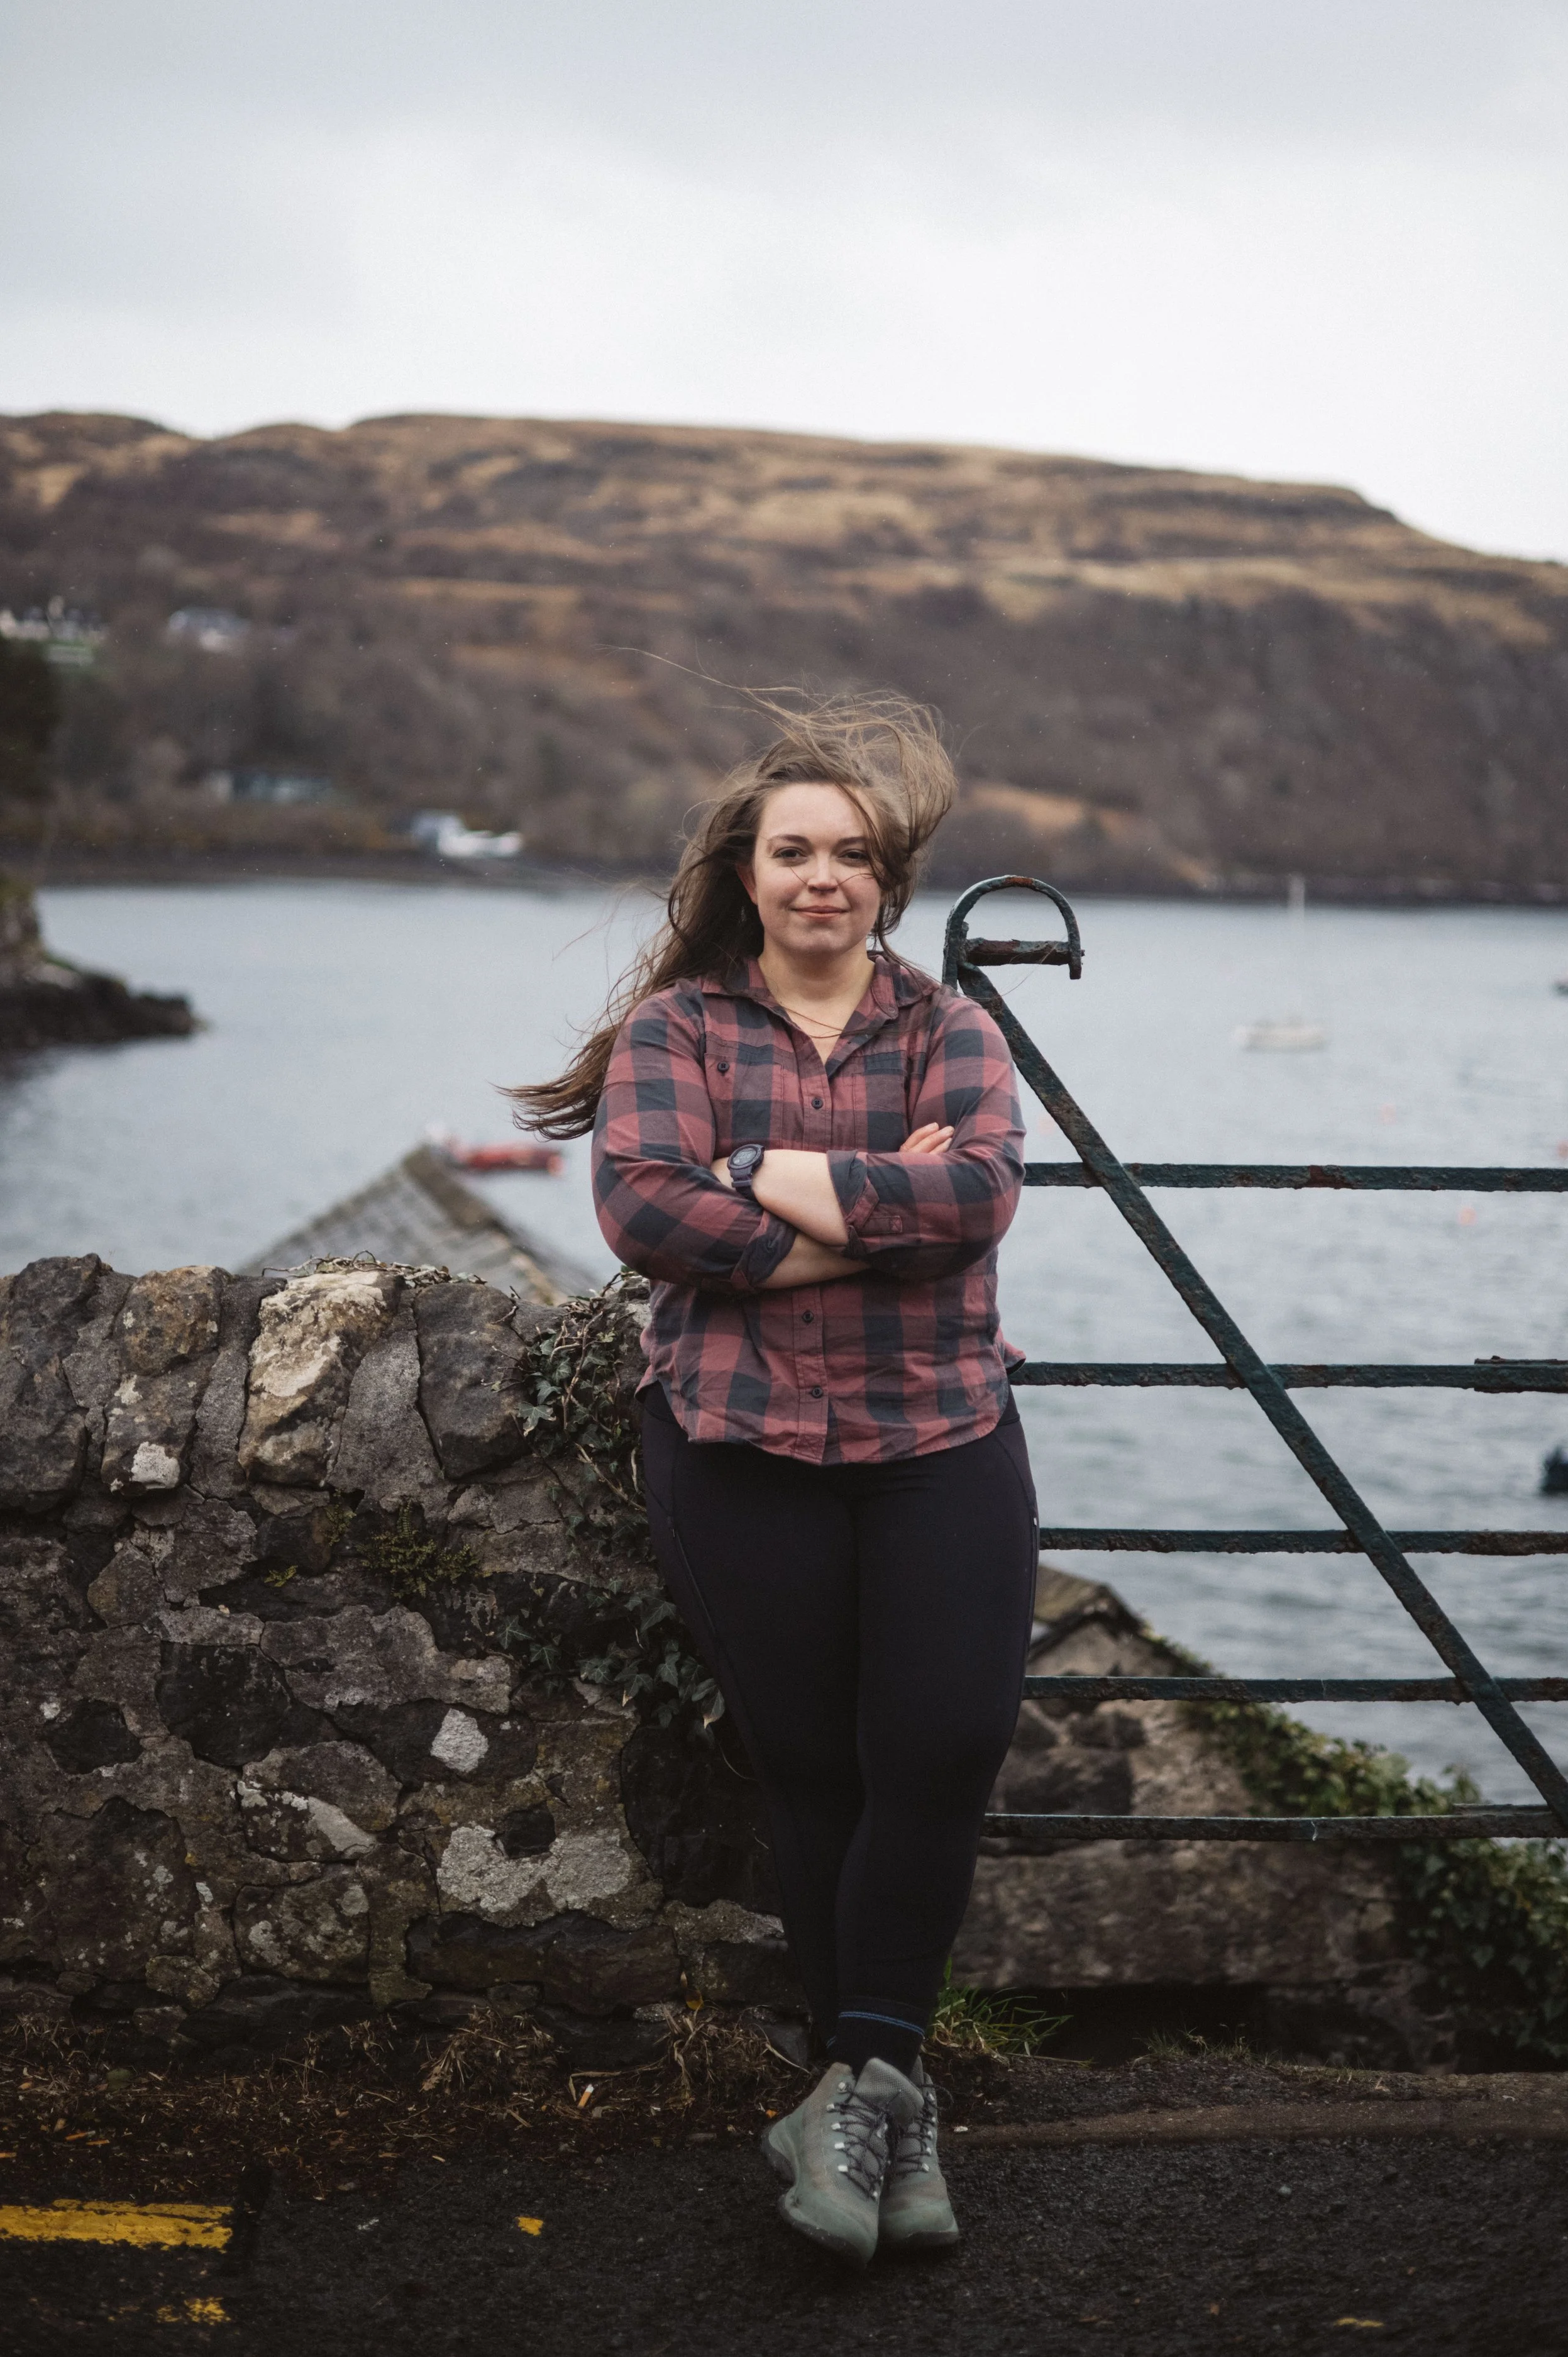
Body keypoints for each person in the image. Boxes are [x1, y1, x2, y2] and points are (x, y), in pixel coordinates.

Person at [512, 694, 1037, 2266]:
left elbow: (983, 1196)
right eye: (792, 850)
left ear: (886, 880)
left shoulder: (953, 1029)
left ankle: (863, 2089)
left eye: (851, 855)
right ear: (746, 874)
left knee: (939, 1744)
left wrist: (759, 1180)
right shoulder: (680, 1032)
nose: (823, 877)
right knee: (810, 1767)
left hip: (940, 1431)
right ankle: (871, 2089)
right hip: (738, 1443)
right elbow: (642, 1214)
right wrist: (864, 1212)